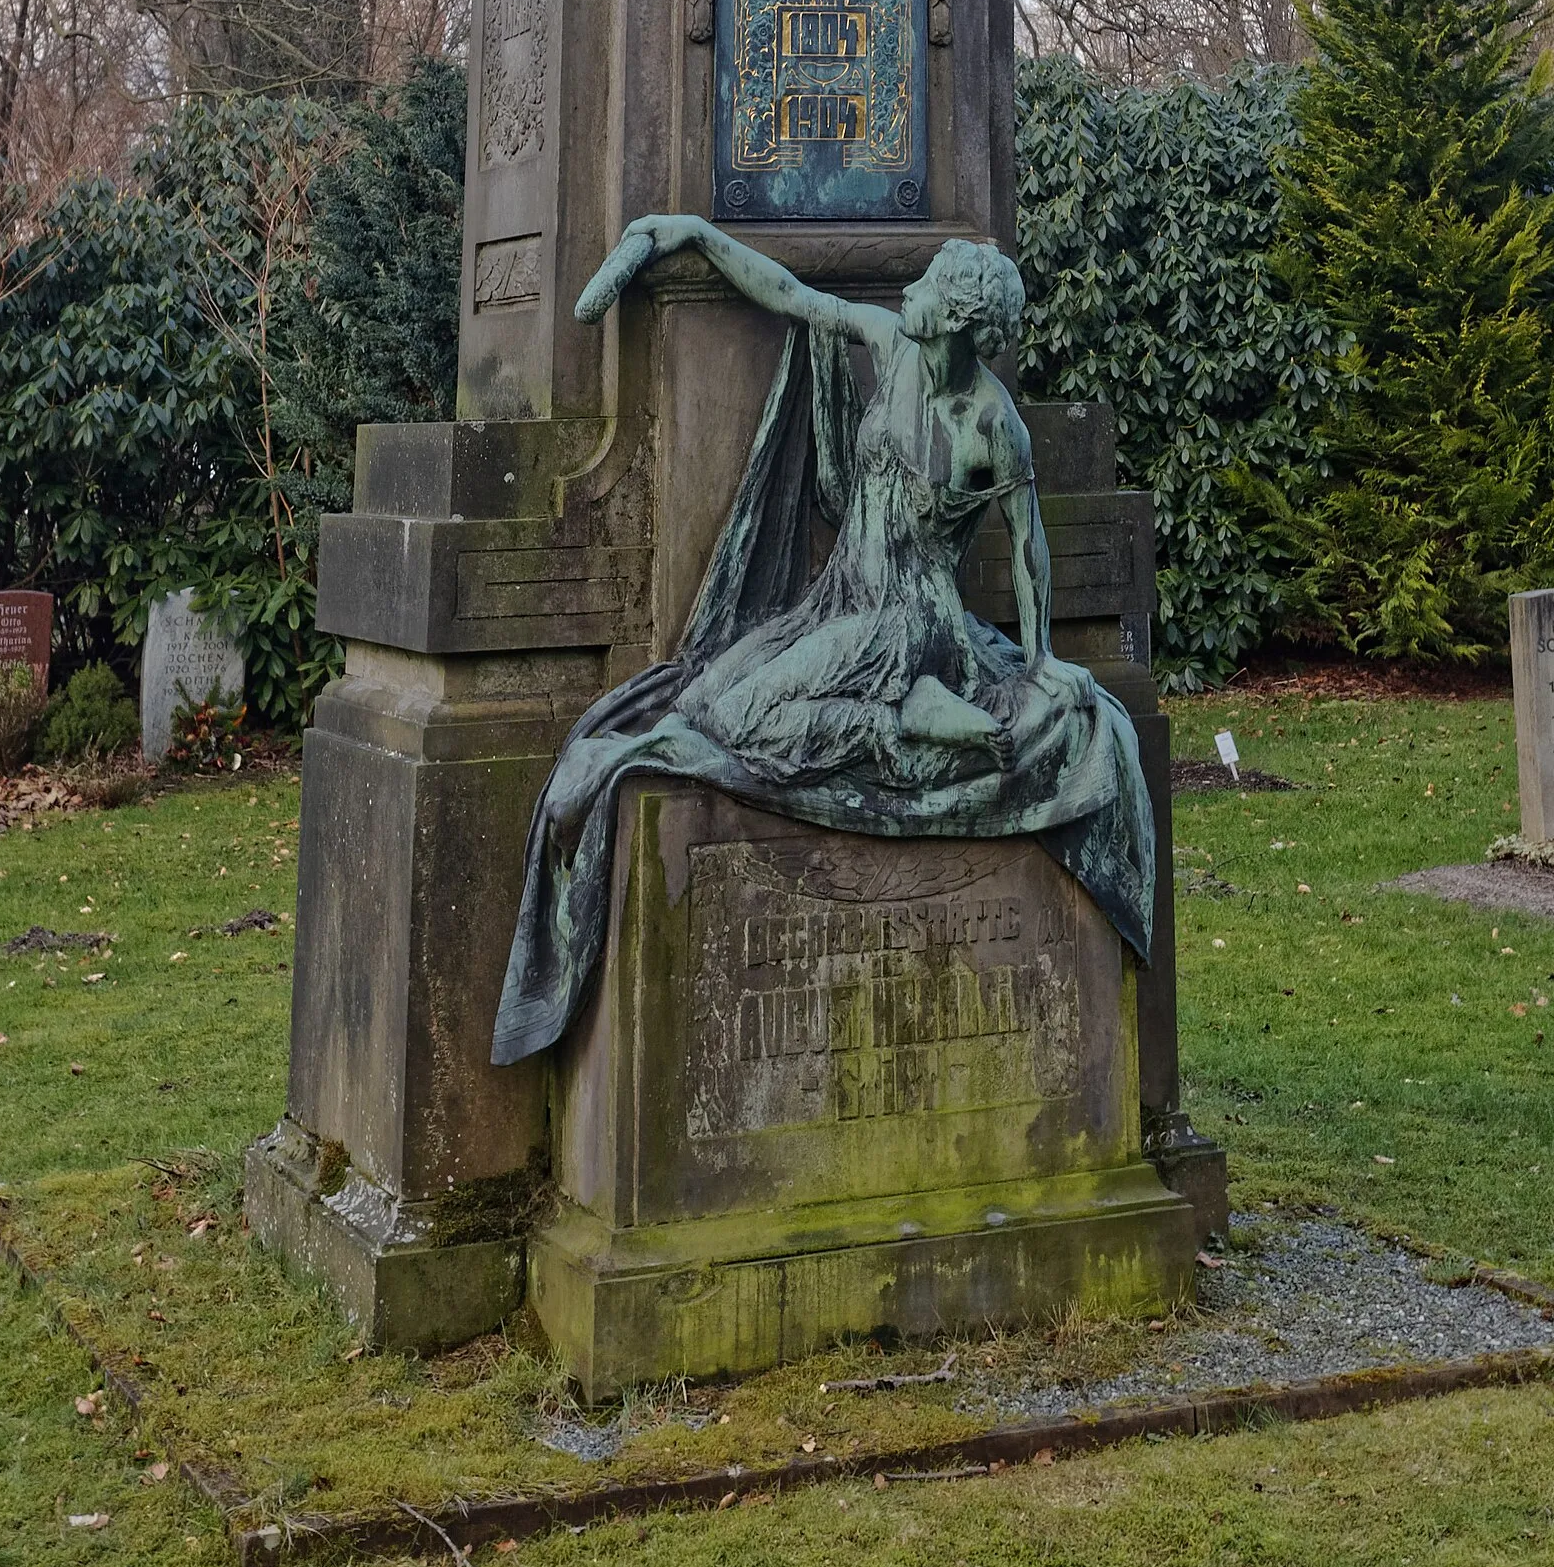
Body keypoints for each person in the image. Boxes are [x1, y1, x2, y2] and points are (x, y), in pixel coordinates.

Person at [491, 217, 1155, 1065]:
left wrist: (1038, 659)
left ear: (953, 317)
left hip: (909, 624)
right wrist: (693, 233)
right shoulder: (891, 344)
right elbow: (793, 293)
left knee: (735, 718)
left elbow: (1028, 544)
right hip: (840, 601)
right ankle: (906, 718)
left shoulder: (994, 424)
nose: (901, 293)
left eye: (921, 288)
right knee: (699, 703)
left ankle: (905, 717)